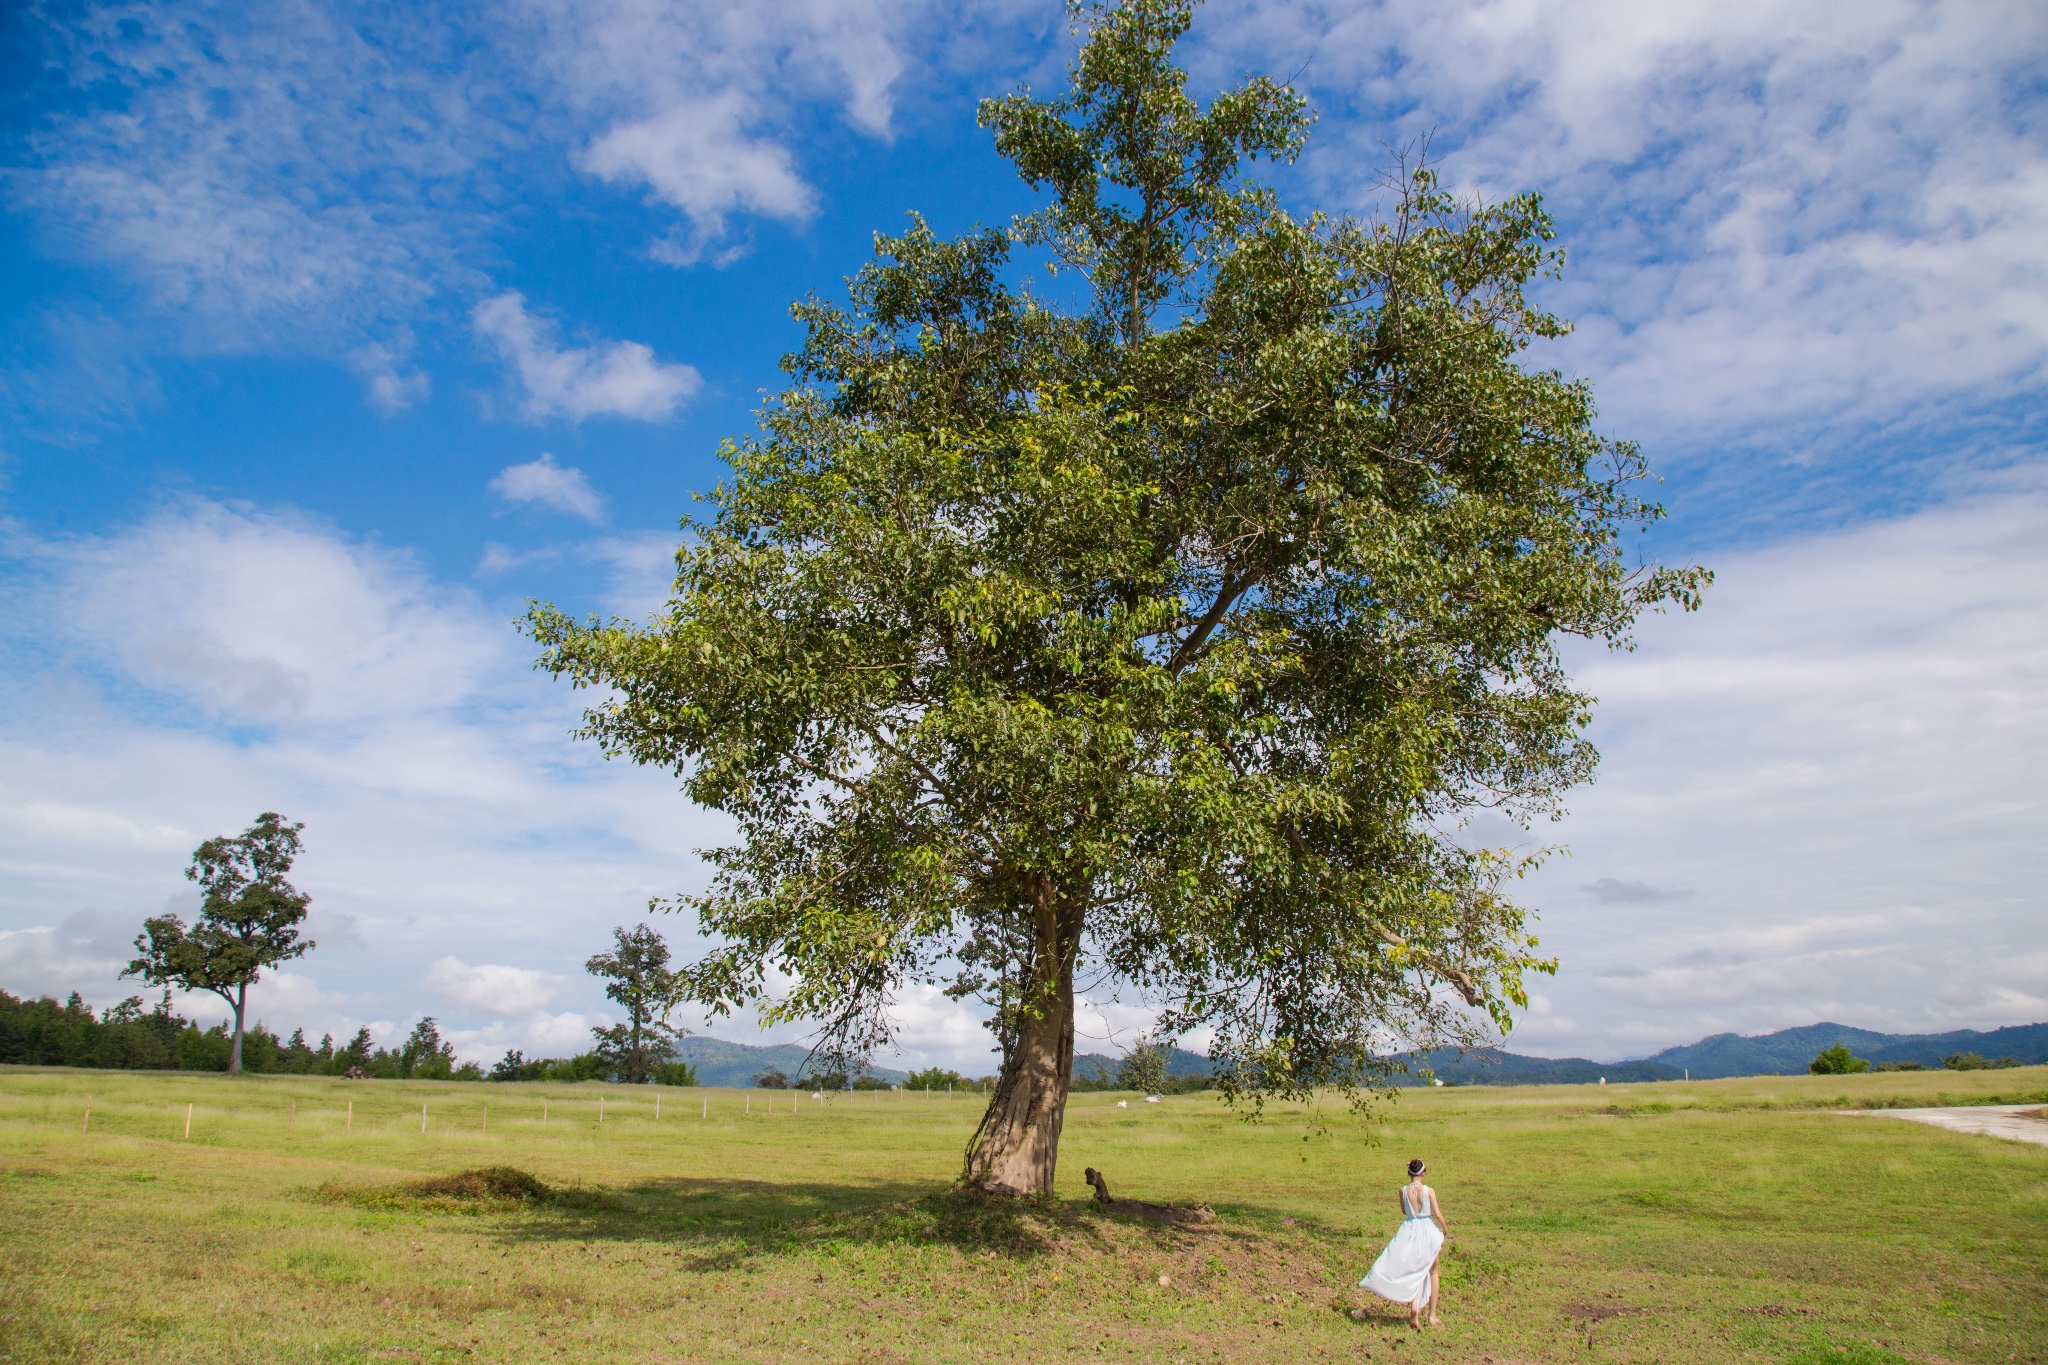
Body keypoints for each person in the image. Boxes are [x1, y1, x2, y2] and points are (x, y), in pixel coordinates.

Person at [1359, 1158, 1449, 1328]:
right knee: (1433, 1271)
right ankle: (1432, 1316)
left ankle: (1414, 1307)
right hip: (1427, 1229)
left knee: (1414, 1270)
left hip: (1410, 1229)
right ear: (1423, 1172)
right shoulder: (1429, 1191)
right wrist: (1444, 1230)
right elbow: (1437, 1213)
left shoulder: (1403, 1191)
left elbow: (1403, 1210)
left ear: (1409, 1173)